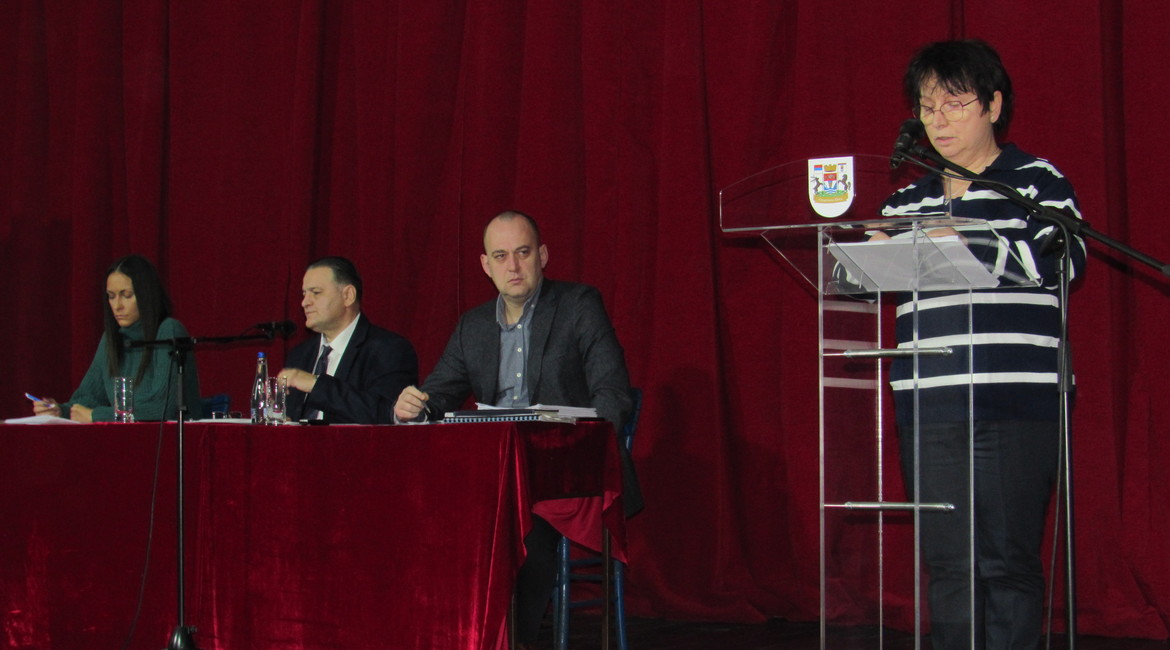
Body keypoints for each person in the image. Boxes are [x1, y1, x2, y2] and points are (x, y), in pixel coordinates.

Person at [880, 40, 1086, 649]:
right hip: (929, 402)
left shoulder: (1037, 181)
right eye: (926, 107)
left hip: (1013, 401)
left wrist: (965, 239)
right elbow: (867, 279)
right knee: (948, 566)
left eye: (954, 104)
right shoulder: (907, 200)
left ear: (994, 106)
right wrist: (861, 256)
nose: (937, 120)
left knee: (1005, 561)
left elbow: (1064, 262)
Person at [393, 210, 642, 648]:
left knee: (523, 525)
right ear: (485, 265)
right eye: (501, 256)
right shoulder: (473, 326)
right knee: (430, 513)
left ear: (542, 256)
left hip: (564, 473)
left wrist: (581, 445)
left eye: (523, 253)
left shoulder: (578, 305)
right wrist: (412, 407)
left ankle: (513, 642)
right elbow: (438, 396)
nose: (513, 266)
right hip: (494, 474)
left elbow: (612, 393)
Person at [32, 254, 203, 422]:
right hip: (126, 437)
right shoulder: (111, 339)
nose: (117, 306)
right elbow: (87, 399)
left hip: (172, 438)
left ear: (146, 295)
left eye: (126, 295)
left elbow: (161, 408)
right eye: (111, 296)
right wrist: (60, 411)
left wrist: (96, 416)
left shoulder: (169, 330)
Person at [278, 256, 418, 424]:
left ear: (348, 296)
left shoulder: (389, 349)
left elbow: (388, 413)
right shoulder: (300, 354)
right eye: (304, 294)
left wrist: (316, 385)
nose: (304, 302)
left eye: (316, 292)